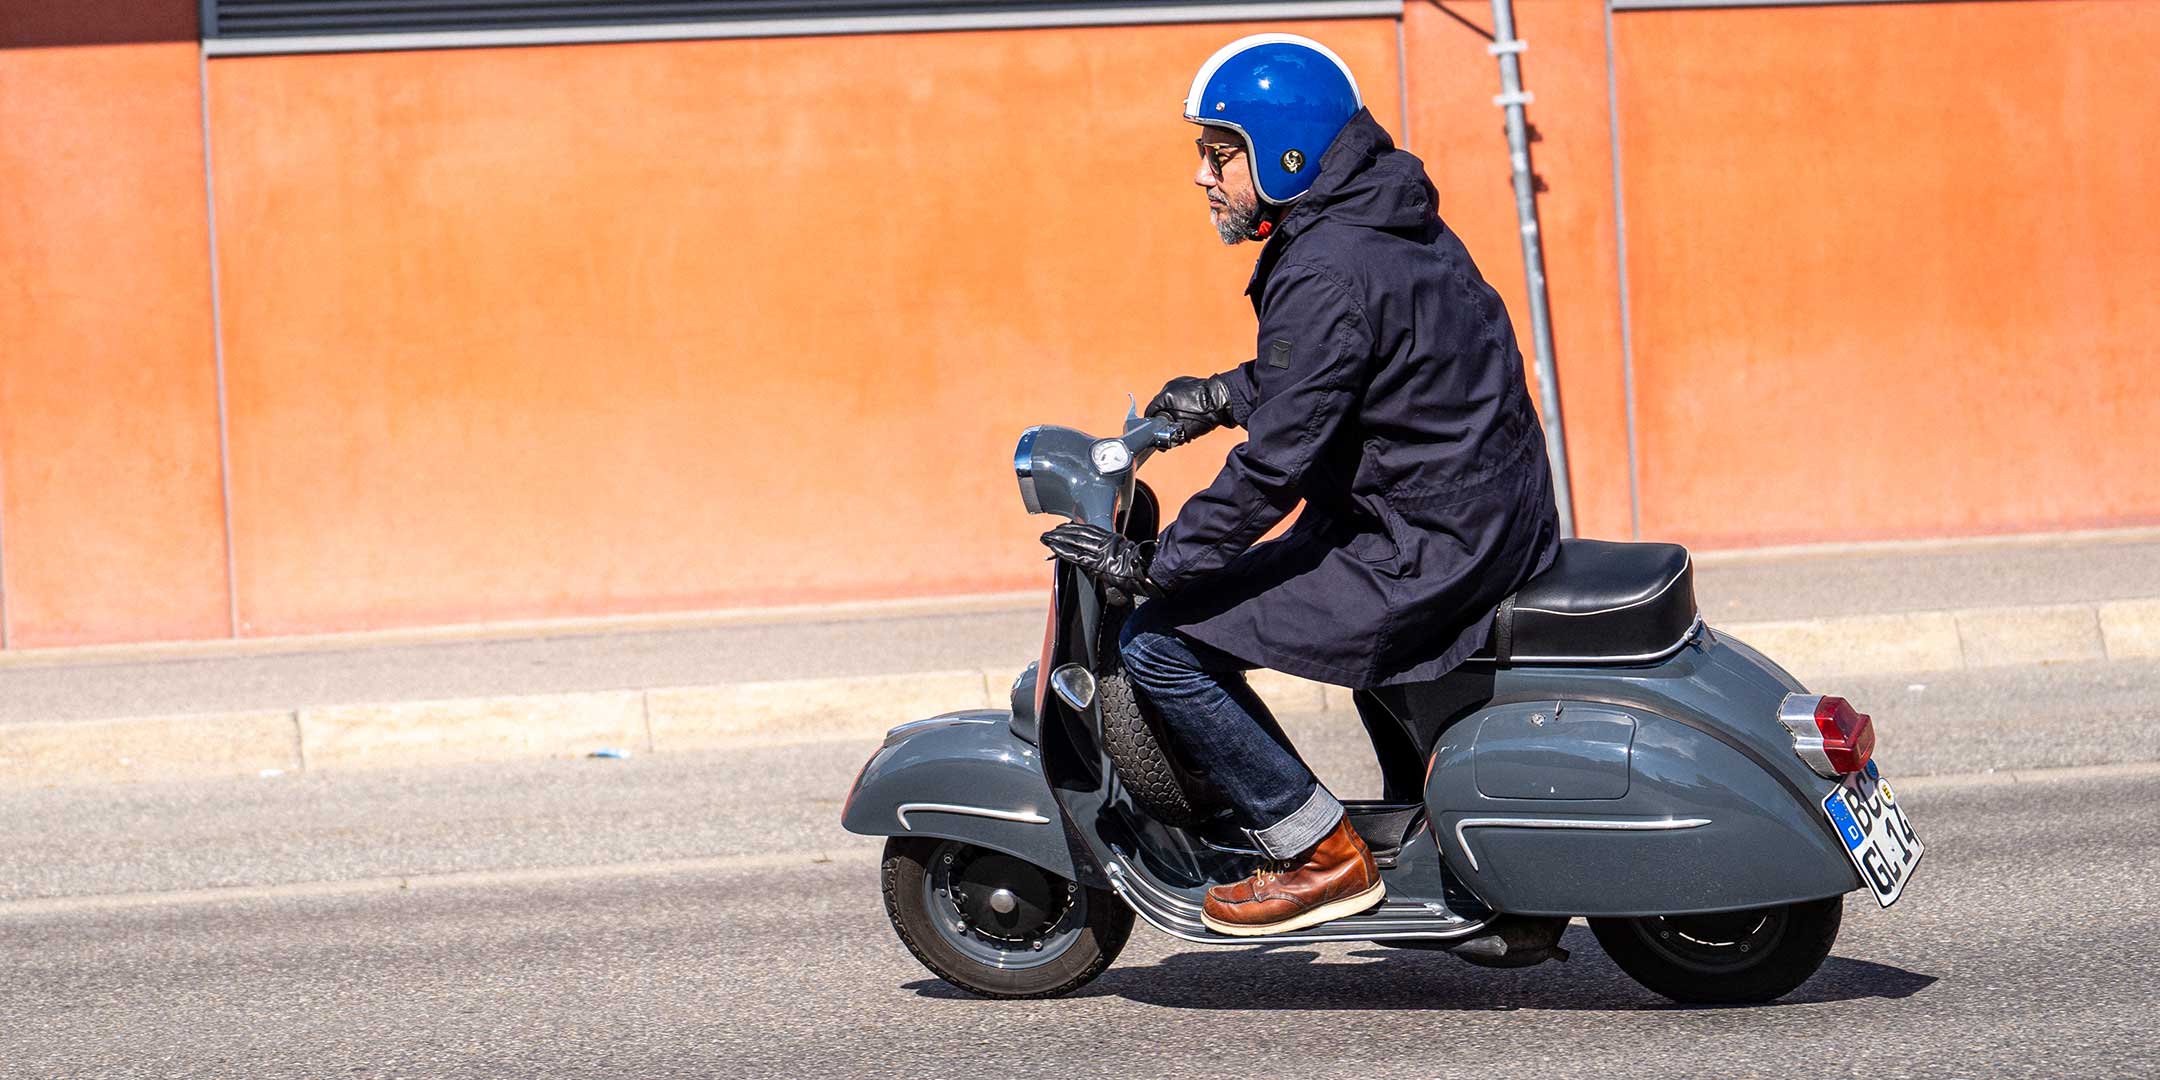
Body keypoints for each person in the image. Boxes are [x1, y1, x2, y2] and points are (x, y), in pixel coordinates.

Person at [1040, 33, 1561, 937]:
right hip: (1472, 515)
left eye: (1221, 151)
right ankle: (1430, 839)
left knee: (1162, 641)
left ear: (1287, 152)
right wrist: (1221, 393)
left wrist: (1158, 566)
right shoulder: (1384, 217)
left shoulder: (1325, 264)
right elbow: (1356, 368)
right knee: (1322, 642)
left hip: (1421, 545)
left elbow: (1275, 465)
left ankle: (1319, 852)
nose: (1205, 176)